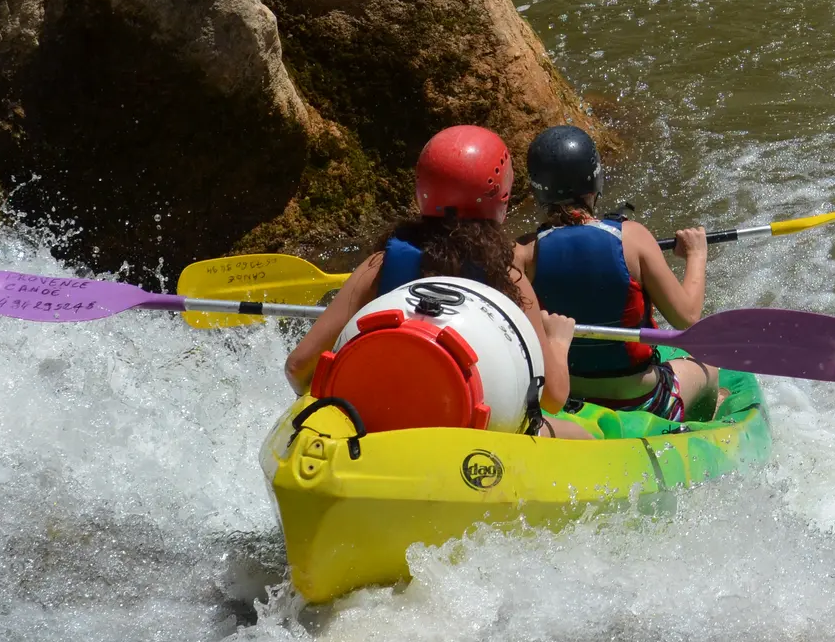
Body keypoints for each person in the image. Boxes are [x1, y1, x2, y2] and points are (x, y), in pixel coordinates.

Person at [285, 124, 590, 439]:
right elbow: (552, 398)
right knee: (587, 438)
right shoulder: (507, 277)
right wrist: (557, 340)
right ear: (501, 194)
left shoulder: (381, 264)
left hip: (375, 431)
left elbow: (298, 367)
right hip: (474, 436)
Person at [513, 124, 721, 422]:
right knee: (709, 368)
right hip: (641, 399)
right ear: (595, 181)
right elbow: (687, 319)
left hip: (569, 397)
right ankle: (700, 424)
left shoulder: (521, 254)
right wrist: (696, 254)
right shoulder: (633, 238)